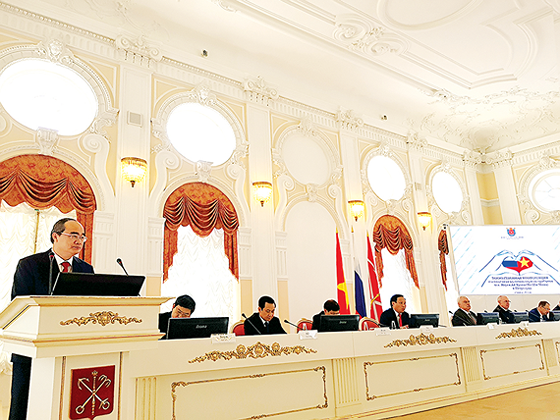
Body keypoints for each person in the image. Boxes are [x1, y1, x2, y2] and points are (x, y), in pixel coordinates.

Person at [10, 218, 94, 420]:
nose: (79, 240)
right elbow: (19, 304)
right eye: (73, 235)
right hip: (32, 348)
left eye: (82, 236)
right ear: (55, 236)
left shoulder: (86, 269)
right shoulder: (30, 265)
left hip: (69, 348)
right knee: (23, 405)